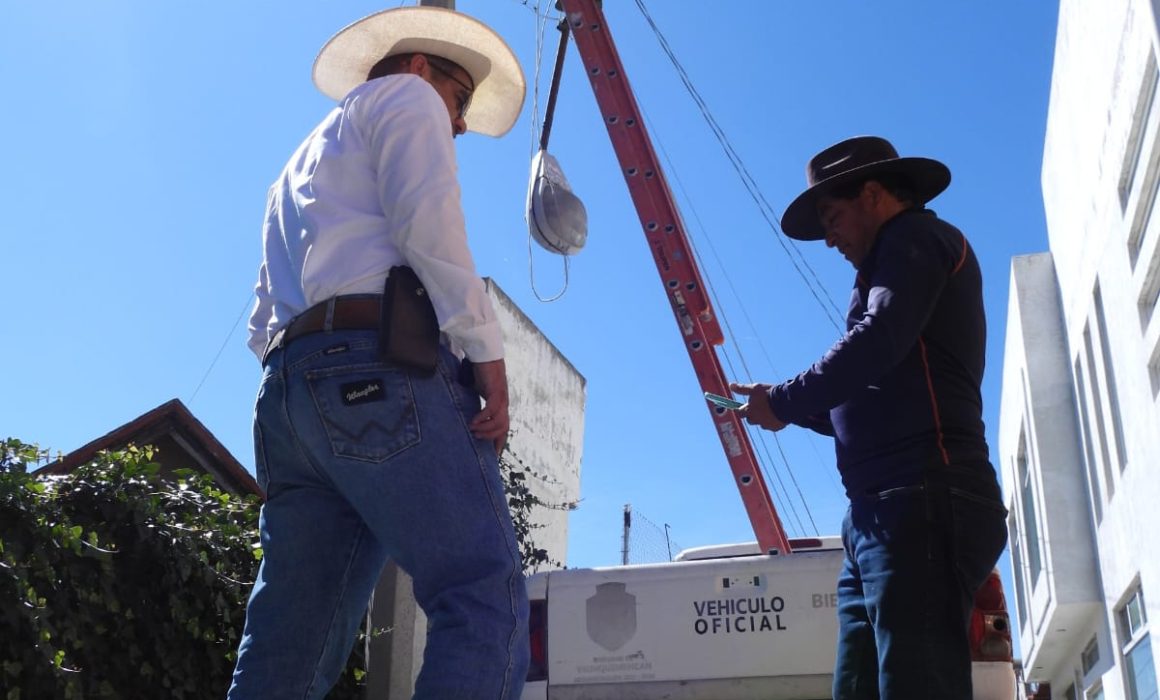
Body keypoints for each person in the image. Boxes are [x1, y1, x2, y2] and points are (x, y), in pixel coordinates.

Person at [229, 7, 529, 699]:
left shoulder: (299, 162)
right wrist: (488, 358)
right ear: (421, 67)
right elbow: (430, 221)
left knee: (288, 638)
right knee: (483, 593)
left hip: (286, 391)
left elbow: (259, 317)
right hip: (375, 368)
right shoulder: (406, 96)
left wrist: (310, 386)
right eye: (459, 101)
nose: (456, 123)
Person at [730, 136, 1008, 699]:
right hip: (883, 511)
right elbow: (877, 390)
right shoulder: (895, 262)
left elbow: (876, 341)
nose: (829, 238)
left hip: (920, 497)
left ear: (875, 194)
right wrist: (789, 412)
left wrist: (784, 400)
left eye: (832, 217)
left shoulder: (916, 238)